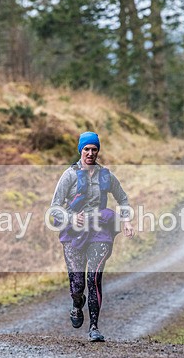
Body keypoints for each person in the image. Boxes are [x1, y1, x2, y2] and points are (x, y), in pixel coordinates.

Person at [49, 132, 134, 342]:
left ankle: (94, 327)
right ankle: (77, 303)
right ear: (80, 150)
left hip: (99, 230)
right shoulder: (69, 175)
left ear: (98, 151)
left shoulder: (105, 175)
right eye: (86, 149)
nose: (90, 153)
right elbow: (54, 208)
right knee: (78, 285)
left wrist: (126, 220)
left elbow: (122, 198)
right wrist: (70, 218)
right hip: (74, 233)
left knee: (94, 278)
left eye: (94, 149)